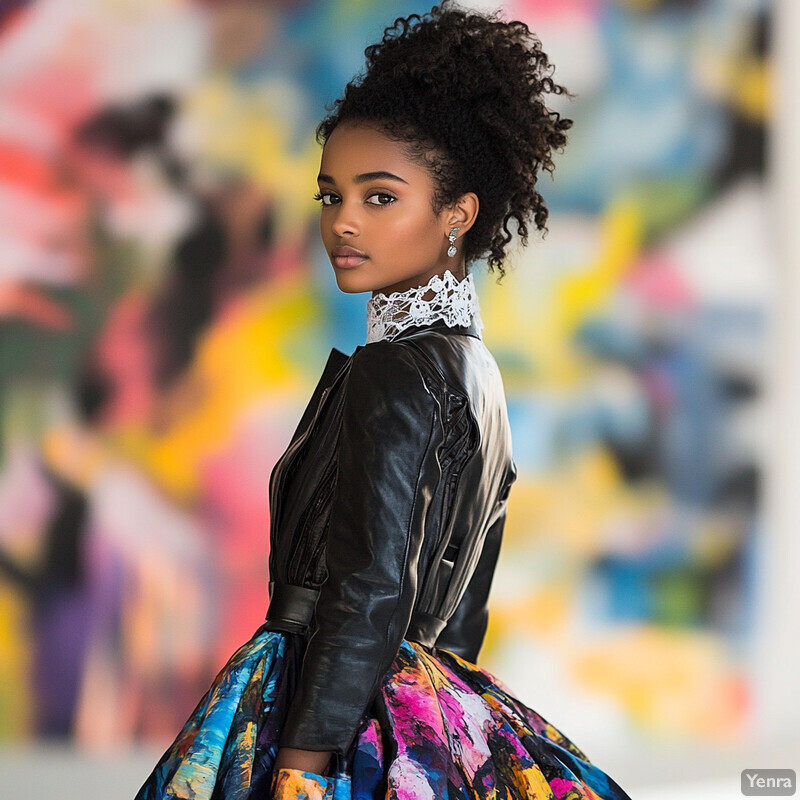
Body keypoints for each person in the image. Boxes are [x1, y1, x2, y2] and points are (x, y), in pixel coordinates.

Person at [135, 2, 634, 798]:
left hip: (319, 711)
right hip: (419, 713)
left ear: (458, 214)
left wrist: (305, 761)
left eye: (380, 197)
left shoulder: (394, 369)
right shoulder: (484, 378)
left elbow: (368, 585)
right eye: (330, 196)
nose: (343, 224)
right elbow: (462, 619)